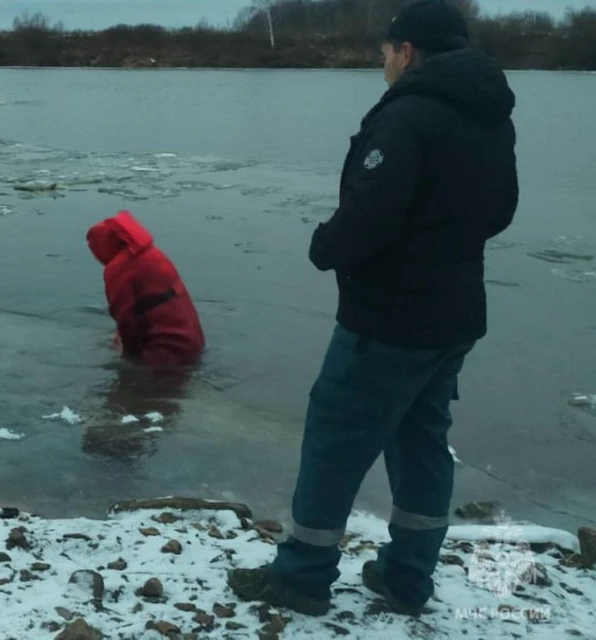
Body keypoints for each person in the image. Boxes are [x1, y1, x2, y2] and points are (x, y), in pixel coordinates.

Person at [228, 0, 518, 618]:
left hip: (389, 318)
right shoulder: (491, 116)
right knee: (421, 443)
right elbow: (501, 210)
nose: (382, 63)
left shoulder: (408, 116)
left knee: (334, 443)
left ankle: (302, 577)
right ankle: (407, 577)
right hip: (456, 314)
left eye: (385, 53)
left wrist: (324, 245)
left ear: (407, 52)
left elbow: (370, 214)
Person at [86, 210, 205, 368]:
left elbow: (125, 318)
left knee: (135, 386)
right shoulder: (153, 254)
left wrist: (129, 359)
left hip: (167, 351)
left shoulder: (120, 267)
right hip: (192, 341)